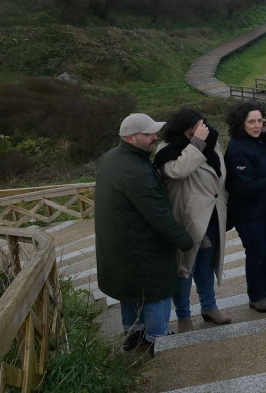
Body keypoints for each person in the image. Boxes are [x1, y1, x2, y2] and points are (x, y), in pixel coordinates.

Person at [95, 113, 194, 354]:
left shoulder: (111, 158)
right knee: (158, 291)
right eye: (148, 134)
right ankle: (157, 339)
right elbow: (157, 213)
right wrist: (183, 240)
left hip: (117, 244)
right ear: (130, 137)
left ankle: (133, 334)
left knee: (128, 290)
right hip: (143, 245)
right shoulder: (136, 170)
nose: (155, 138)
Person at [155, 109, 231, 331]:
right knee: (184, 269)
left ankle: (209, 306)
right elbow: (179, 171)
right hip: (188, 218)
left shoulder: (211, 142)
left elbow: (220, 173)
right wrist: (196, 142)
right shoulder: (166, 151)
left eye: (201, 125)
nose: (198, 130)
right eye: (193, 127)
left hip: (213, 215)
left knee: (206, 265)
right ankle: (183, 316)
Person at [225, 102, 266, 313]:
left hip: (264, 208)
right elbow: (243, 186)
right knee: (256, 251)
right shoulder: (237, 149)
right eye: (251, 121)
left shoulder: (259, 141)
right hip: (246, 211)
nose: (256, 125)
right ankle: (256, 295)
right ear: (241, 123)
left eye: (259, 121)